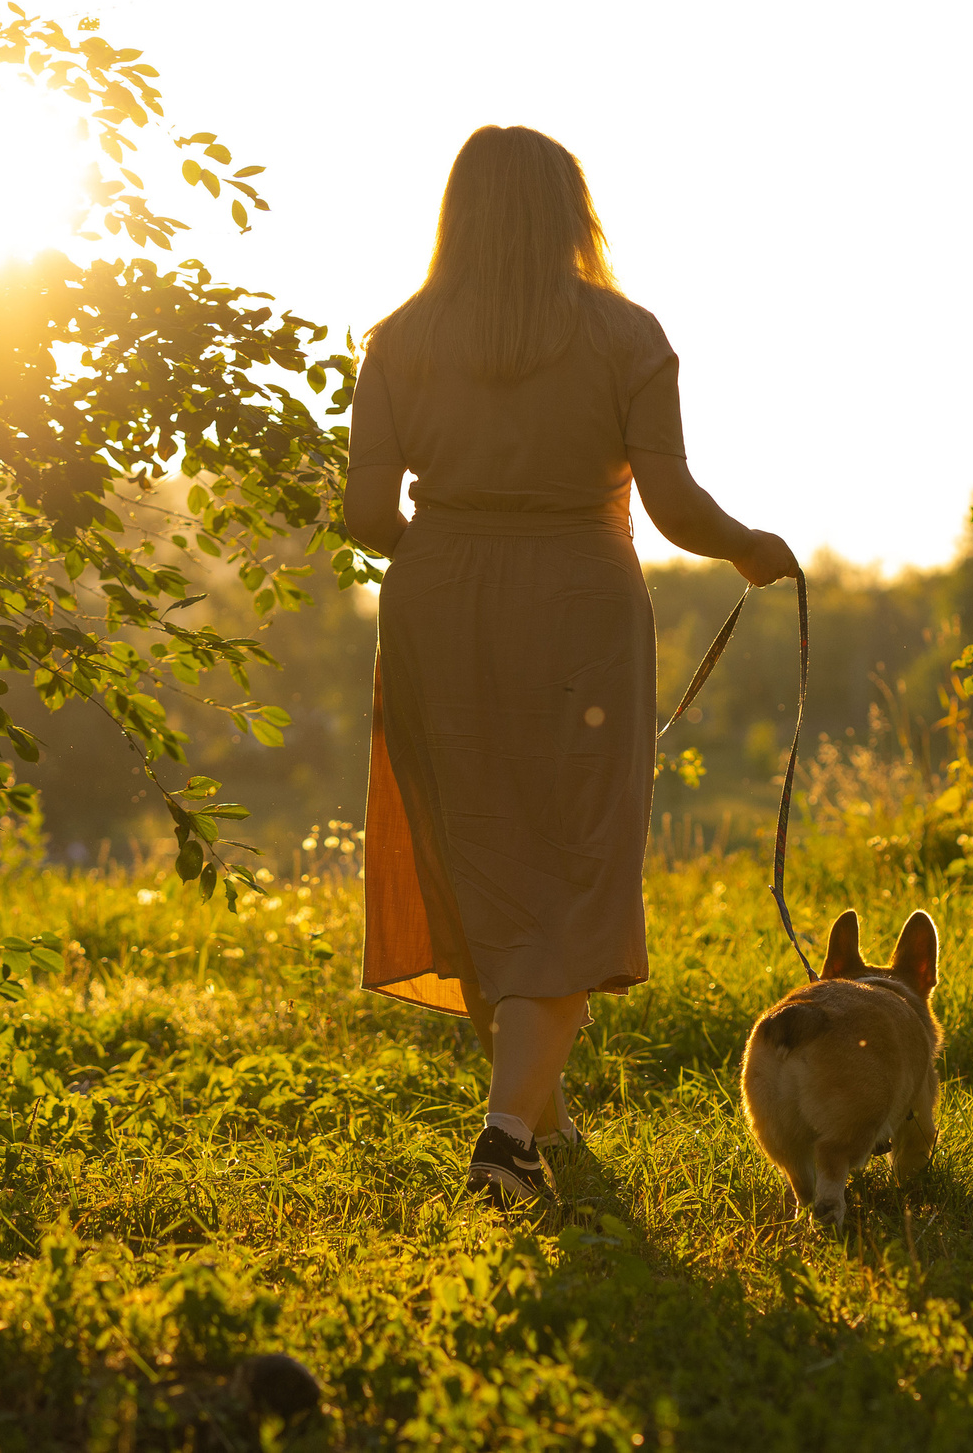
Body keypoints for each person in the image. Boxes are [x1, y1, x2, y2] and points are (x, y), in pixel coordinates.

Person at [343, 124, 798, 1207]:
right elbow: (674, 507)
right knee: (573, 869)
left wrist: (450, 557)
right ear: (569, 211)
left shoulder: (398, 340)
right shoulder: (624, 334)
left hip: (436, 603)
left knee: (484, 857)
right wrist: (747, 544)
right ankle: (510, 1133)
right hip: (580, 604)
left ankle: (542, 1115)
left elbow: (365, 519)